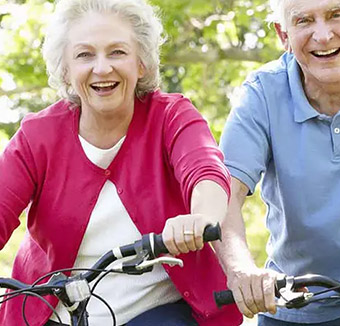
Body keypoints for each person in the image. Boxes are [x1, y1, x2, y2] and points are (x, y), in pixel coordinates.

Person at [0, 0, 243, 325]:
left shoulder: (171, 117)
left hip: (157, 313)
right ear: (66, 70)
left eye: (117, 52)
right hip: (54, 312)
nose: (102, 68)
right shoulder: (37, 136)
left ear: (141, 63)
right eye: (85, 55)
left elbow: (205, 172)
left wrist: (200, 218)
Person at [216, 0, 340, 325]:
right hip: (298, 300)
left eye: (336, 14)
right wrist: (241, 268)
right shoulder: (261, 94)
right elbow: (224, 194)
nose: (323, 35)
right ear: (283, 35)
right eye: (304, 21)